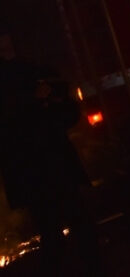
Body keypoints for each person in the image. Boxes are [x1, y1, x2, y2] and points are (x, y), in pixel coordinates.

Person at [0, 34, 104, 276]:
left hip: (49, 164)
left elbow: (66, 115)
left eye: (8, 41)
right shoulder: (19, 83)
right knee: (59, 227)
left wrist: (55, 100)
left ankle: (88, 267)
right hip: (35, 168)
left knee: (69, 225)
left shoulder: (35, 73)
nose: (7, 47)